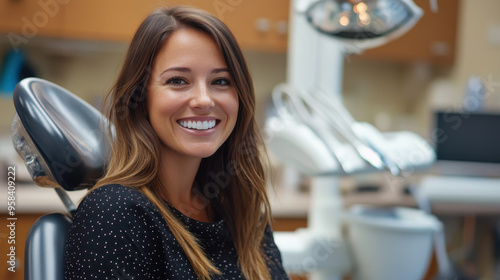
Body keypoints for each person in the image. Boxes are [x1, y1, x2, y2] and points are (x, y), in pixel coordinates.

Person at [63, 5, 289, 280]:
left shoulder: (243, 212)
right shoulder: (113, 214)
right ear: (140, 97)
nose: (204, 100)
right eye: (178, 80)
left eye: (220, 81)